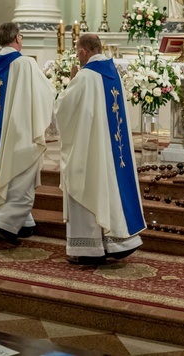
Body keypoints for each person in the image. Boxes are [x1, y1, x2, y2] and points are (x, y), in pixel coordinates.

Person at [55, 33, 145, 265]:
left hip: (91, 148)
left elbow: (64, 110)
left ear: (84, 51)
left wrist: (70, 83)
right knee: (110, 188)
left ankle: (89, 250)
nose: (77, 55)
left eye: (77, 51)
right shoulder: (112, 73)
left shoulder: (85, 77)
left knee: (87, 184)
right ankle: (116, 242)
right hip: (112, 149)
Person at [0, 23, 55, 245]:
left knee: (2, 176)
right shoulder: (25, 63)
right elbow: (44, 94)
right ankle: (4, 224)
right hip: (19, 133)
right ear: (18, 38)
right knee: (21, 182)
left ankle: (22, 224)